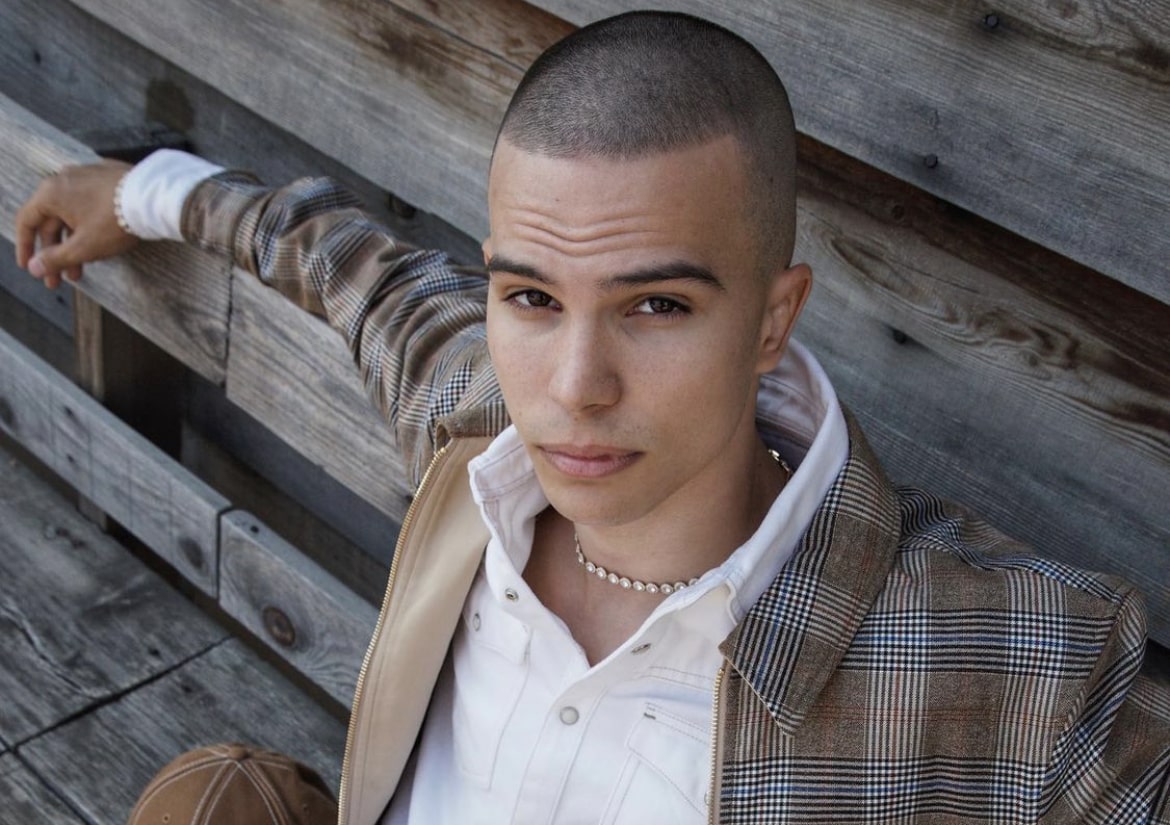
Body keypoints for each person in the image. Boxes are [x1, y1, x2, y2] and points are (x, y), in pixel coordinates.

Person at [14, 11, 1170, 825]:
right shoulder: (480, 422)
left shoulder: (1017, 660)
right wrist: (142, 191)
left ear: (772, 320)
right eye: (531, 297)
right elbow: (356, 269)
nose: (574, 385)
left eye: (656, 306)